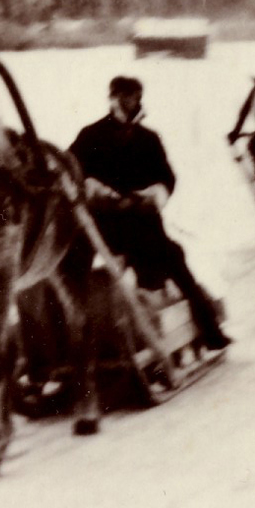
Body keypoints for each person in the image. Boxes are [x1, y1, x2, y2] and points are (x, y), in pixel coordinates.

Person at [69, 76, 231, 351]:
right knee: (79, 270)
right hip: (104, 230)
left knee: (176, 261)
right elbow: (70, 172)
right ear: (112, 98)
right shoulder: (90, 136)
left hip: (144, 226)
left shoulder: (148, 138)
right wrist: (95, 191)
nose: (128, 101)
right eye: (123, 96)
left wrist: (151, 196)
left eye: (133, 96)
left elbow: (167, 177)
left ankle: (210, 331)